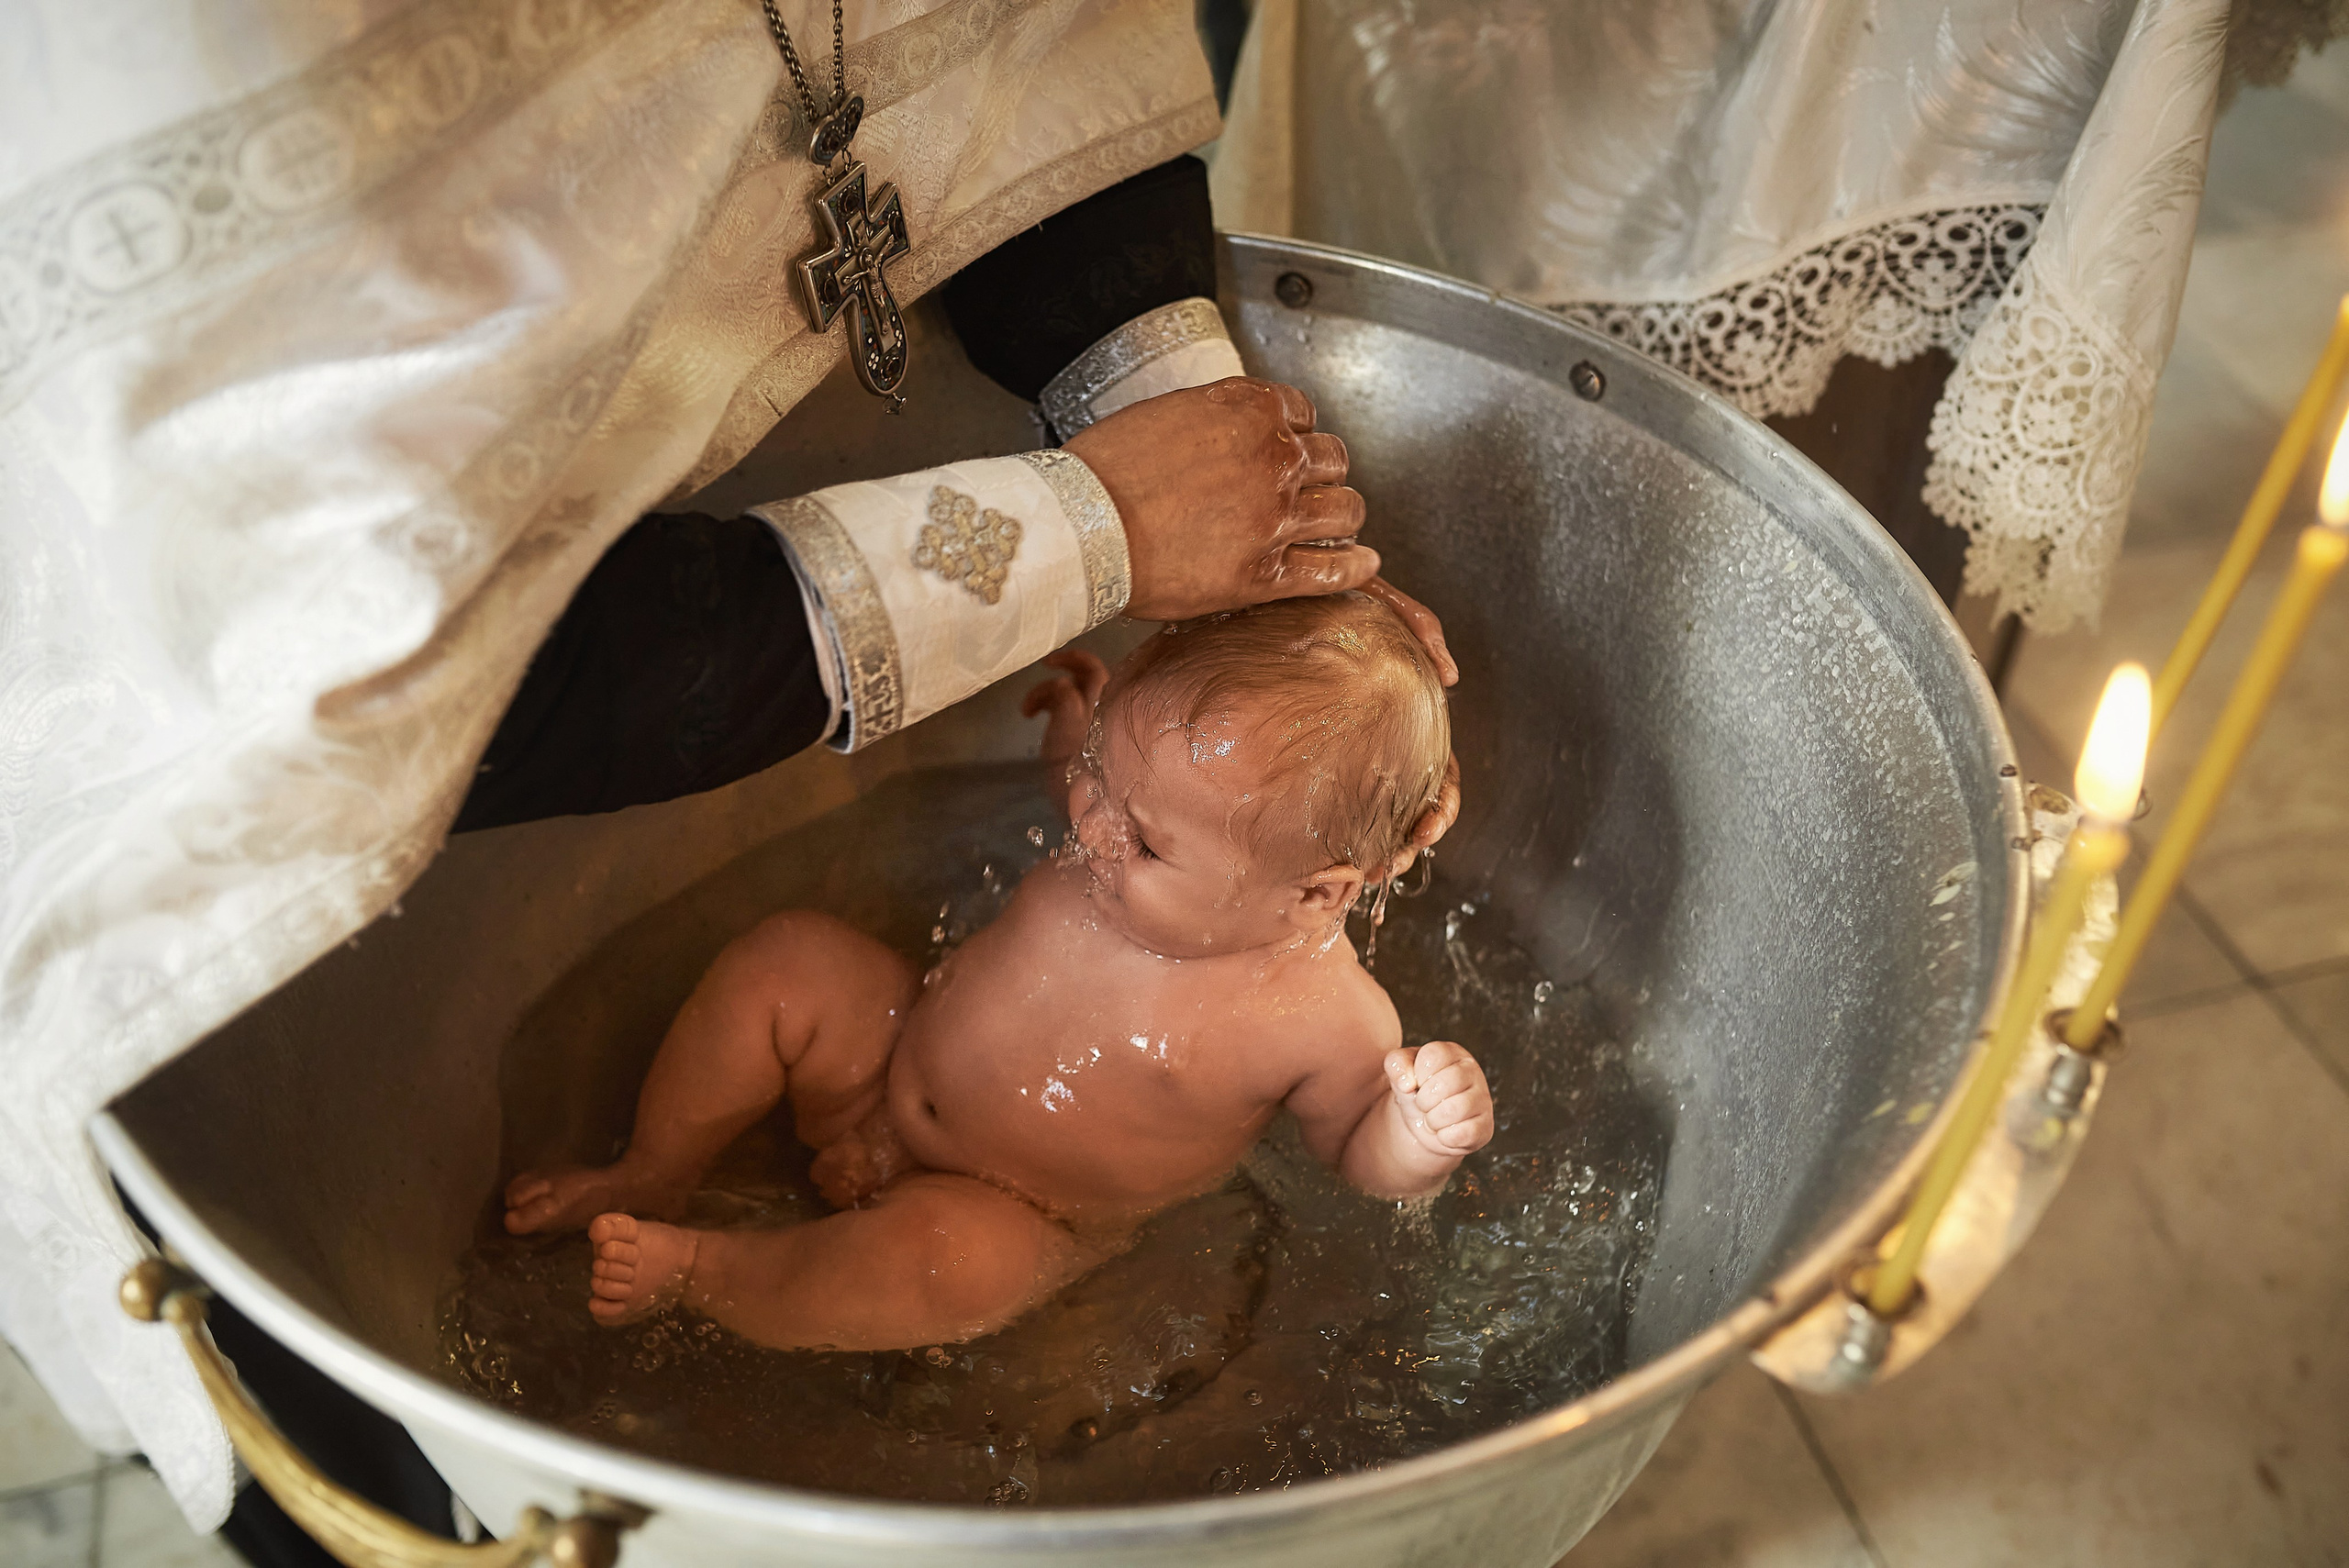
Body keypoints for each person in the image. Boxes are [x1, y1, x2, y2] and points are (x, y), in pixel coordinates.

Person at [501, 592, 1493, 1350]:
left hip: (1017, 1207)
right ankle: (655, 1167)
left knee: (951, 1266)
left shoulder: (1324, 1016)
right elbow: (1115, 804)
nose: (1091, 826)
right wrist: (1079, 748)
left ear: (1316, 894)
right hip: (886, 1065)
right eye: (1099, 777)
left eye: (1145, 839)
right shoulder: (1131, 829)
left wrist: (1418, 1134)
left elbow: (1354, 1154)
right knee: (790, 960)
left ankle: (707, 1270)